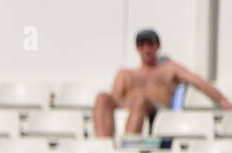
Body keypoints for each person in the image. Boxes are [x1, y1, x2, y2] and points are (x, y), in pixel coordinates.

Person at [94, 28, 232, 137]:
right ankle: (102, 146)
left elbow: (199, 82)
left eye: (150, 44)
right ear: (137, 48)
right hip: (131, 106)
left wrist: (222, 99)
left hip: (156, 111)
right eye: (142, 45)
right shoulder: (126, 74)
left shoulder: (169, 69)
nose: (146, 49)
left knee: (140, 101)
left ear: (158, 46)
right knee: (102, 97)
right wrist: (130, 105)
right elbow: (115, 96)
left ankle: (129, 146)